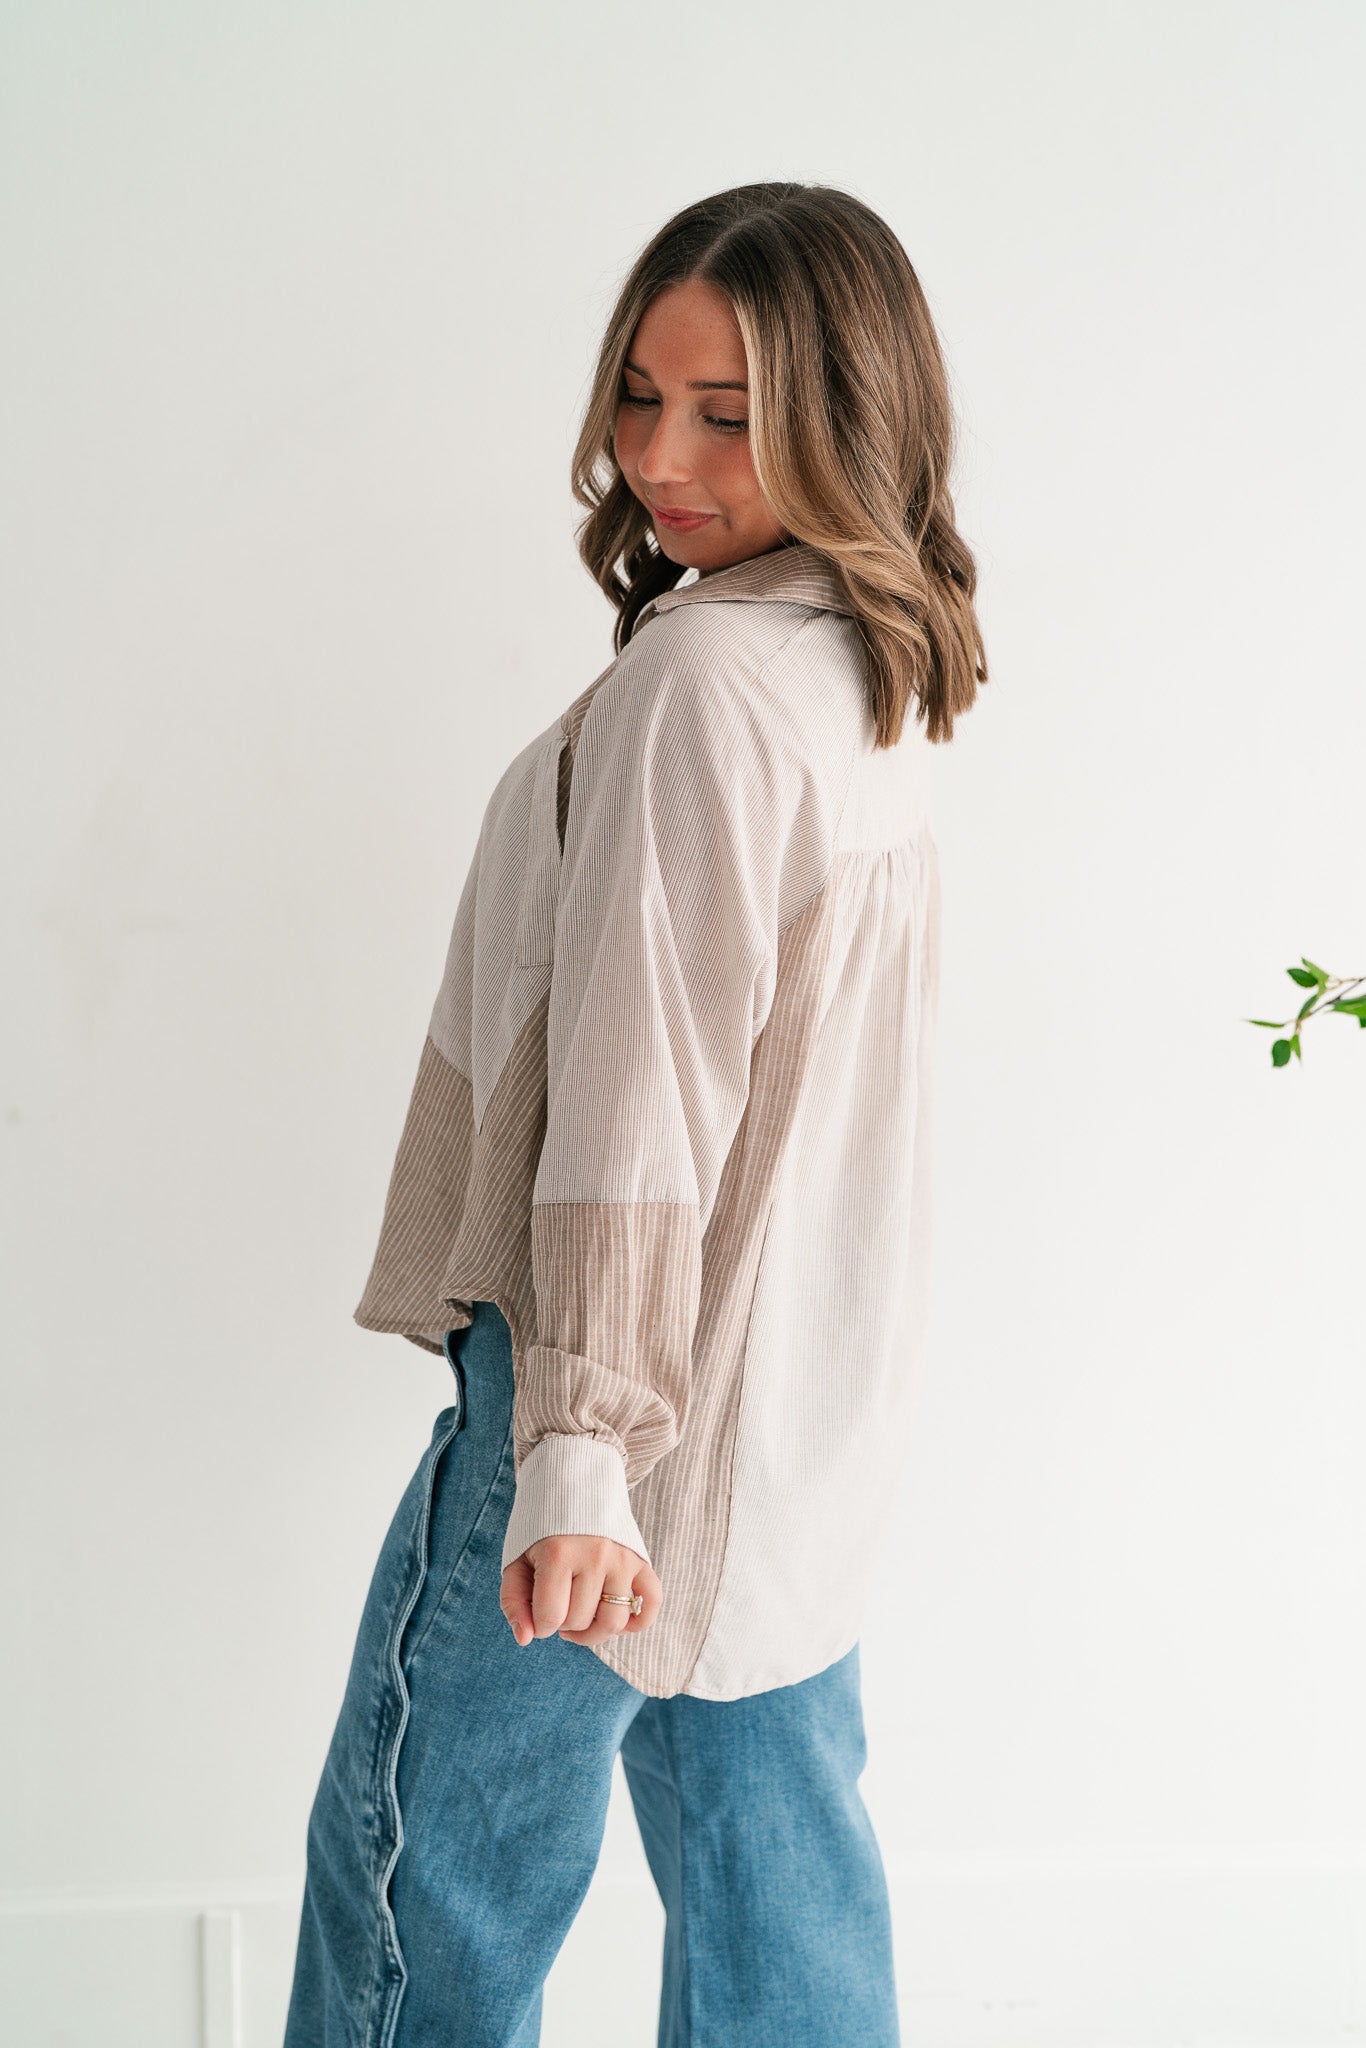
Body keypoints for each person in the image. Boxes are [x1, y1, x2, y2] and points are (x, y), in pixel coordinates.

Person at [282, 179, 987, 2048]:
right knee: (778, 1897)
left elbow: (637, 1098)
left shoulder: (701, 683)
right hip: (785, 1401)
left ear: (849, 415)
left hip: (604, 1379)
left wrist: (579, 1448)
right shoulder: (869, 662)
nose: (659, 459)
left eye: (728, 416)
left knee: (425, 1899)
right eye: (640, 395)